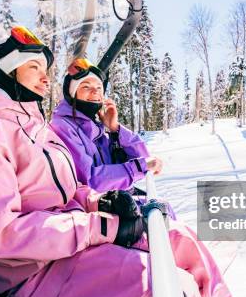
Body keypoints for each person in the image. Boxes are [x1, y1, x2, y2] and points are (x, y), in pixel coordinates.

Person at [0, 26, 243, 297]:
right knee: (177, 292)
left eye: (45, 69)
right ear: (4, 70)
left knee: (181, 241)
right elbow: (3, 235)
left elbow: (71, 188)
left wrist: (100, 202)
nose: (44, 78)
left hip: (76, 247)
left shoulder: (35, 129)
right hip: (38, 274)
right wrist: (100, 226)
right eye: (33, 67)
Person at [50, 58, 176, 219]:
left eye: (98, 87)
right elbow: (90, 180)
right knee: (168, 226)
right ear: (72, 93)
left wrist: (115, 128)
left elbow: (142, 157)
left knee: (165, 212)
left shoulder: (96, 127)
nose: (95, 92)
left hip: (116, 202)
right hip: (91, 210)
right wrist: (140, 166)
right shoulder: (63, 127)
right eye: (86, 87)